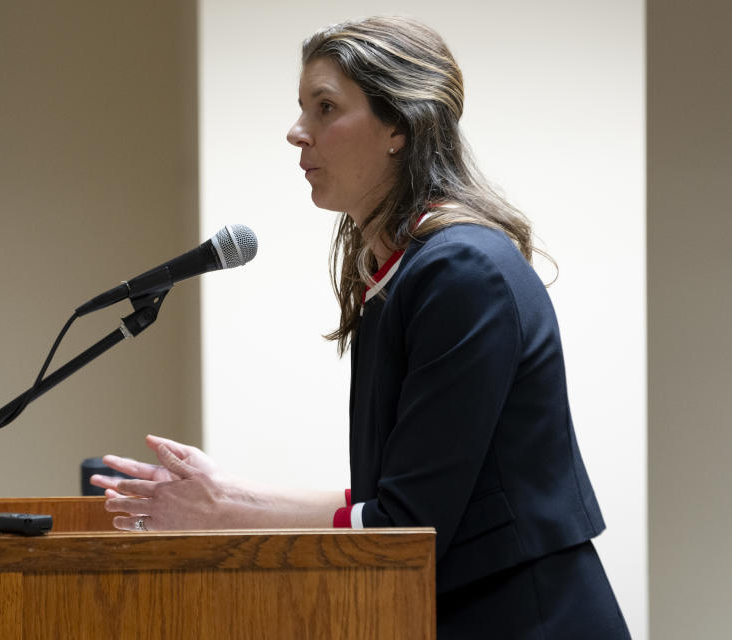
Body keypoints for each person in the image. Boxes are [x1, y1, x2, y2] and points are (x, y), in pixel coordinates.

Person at [91, 16, 631, 638]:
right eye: (302, 108)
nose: (298, 133)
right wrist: (226, 497)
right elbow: (394, 500)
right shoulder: (406, 272)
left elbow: (408, 523)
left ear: (400, 126)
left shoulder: (463, 272)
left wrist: (230, 506)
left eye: (325, 108)